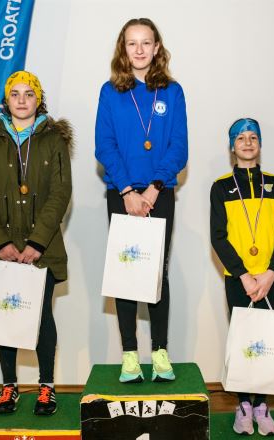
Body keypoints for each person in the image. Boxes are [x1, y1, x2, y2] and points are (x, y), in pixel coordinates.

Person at [0, 71, 73, 416]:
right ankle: (8, 387)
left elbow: (61, 193)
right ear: (6, 100)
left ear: (38, 99)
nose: (21, 100)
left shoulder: (53, 139)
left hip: (42, 249)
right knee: (6, 316)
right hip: (2, 251)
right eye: (15, 94)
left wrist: (36, 243)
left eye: (29, 94)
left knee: (42, 317)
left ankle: (46, 387)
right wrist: (0, 243)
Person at [95, 18, 188, 383]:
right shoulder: (110, 91)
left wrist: (153, 188)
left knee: (156, 273)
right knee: (126, 274)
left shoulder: (173, 92)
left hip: (159, 194)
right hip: (122, 195)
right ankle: (130, 355)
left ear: (156, 47)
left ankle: (160, 352)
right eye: (132, 43)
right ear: (123, 48)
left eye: (145, 42)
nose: (139, 49)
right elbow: (105, 145)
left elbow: (178, 147)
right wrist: (127, 191)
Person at [210, 118, 274, 436]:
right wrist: (244, 275)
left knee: (267, 342)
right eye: (240, 138)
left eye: (253, 137)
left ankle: (262, 405)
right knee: (244, 342)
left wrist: (271, 272)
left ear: (259, 144)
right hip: (238, 278)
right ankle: (243, 405)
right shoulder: (221, 187)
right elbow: (218, 237)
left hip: (269, 276)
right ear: (232, 146)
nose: (247, 142)